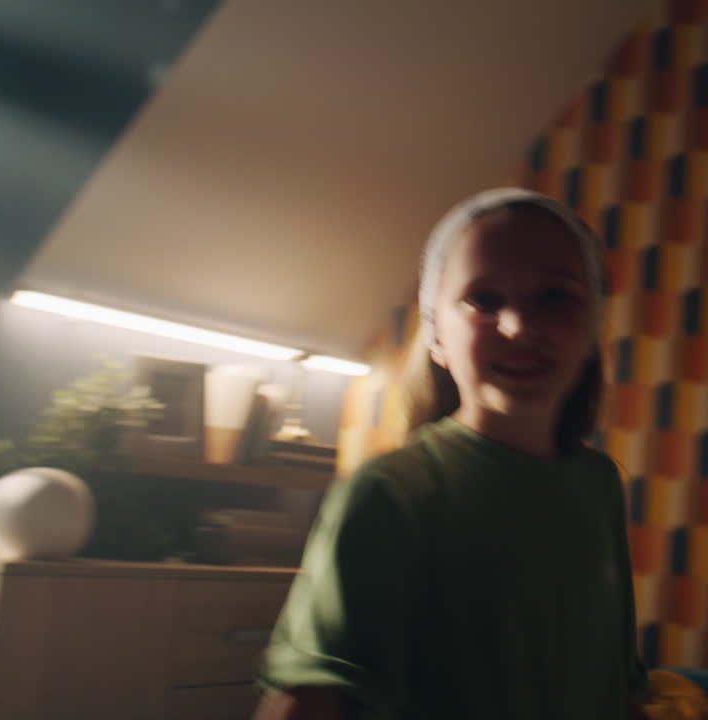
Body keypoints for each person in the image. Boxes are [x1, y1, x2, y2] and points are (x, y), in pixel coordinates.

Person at [253, 188, 647, 720]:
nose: (519, 326)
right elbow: (309, 700)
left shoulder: (599, 486)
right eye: (484, 300)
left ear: (592, 325)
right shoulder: (395, 493)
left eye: (554, 296)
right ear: (437, 336)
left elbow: (617, 682)